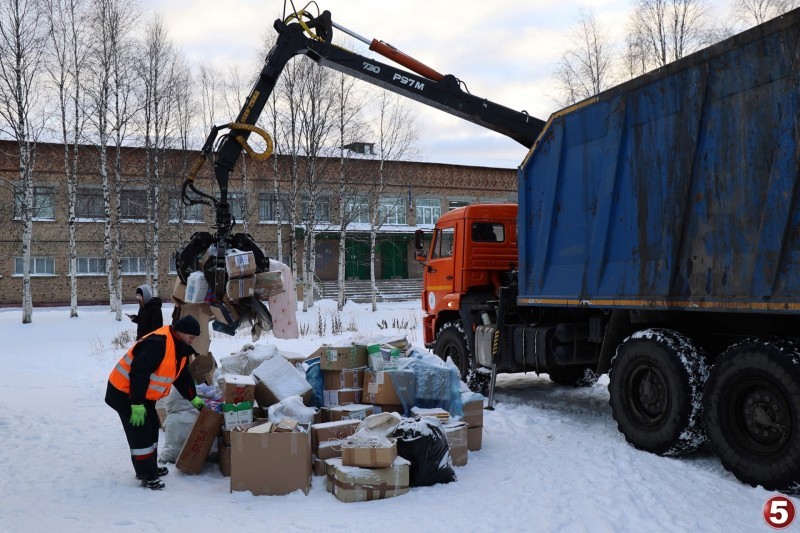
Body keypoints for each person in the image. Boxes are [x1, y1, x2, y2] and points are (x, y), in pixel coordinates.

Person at [105, 315, 206, 490]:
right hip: (123, 393)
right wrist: (136, 404)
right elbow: (139, 373)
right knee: (141, 432)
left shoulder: (179, 348)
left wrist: (193, 397)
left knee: (152, 427)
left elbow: (182, 376)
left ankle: (149, 467)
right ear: (181, 332)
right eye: (192, 336)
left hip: (143, 396)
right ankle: (146, 475)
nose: (193, 340)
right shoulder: (157, 343)